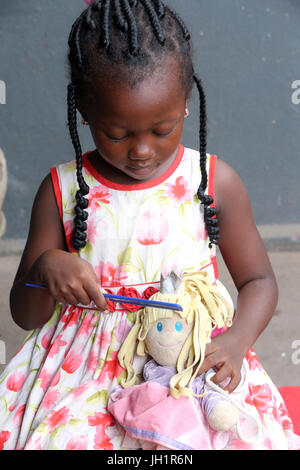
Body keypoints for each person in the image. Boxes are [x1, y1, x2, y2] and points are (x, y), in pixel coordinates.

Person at [0, 0, 299, 450]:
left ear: (184, 104)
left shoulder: (214, 182)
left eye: (161, 129)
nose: (141, 151)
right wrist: (44, 269)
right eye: (117, 134)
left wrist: (237, 341)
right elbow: (24, 312)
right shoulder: (61, 190)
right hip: (88, 372)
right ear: (84, 111)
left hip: (191, 365)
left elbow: (259, 280)